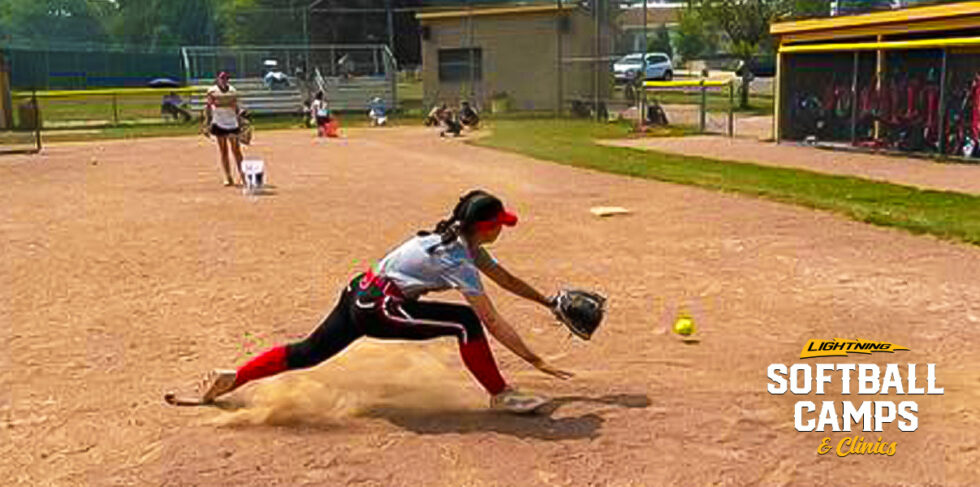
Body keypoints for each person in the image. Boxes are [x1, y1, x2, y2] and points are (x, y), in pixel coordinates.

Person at [192, 190, 573, 414]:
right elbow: (490, 320)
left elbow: (505, 279)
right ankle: (501, 396)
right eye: (499, 225)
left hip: (359, 291)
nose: (501, 230)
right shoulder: (457, 259)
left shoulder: (453, 240)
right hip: (382, 309)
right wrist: (534, 359)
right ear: (486, 228)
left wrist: (548, 302)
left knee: (308, 351)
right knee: (466, 322)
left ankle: (232, 379)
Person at [203, 72, 245, 187]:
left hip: (232, 123)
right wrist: (206, 123)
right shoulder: (212, 91)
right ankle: (228, 177)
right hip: (219, 123)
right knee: (224, 151)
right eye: (221, 78)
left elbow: (237, 108)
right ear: (217, 79)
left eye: (226, 78)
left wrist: (241, 121)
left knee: (236, 151)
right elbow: (208, 108)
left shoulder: (233, 91)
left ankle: (243, 175)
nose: (223, 80)